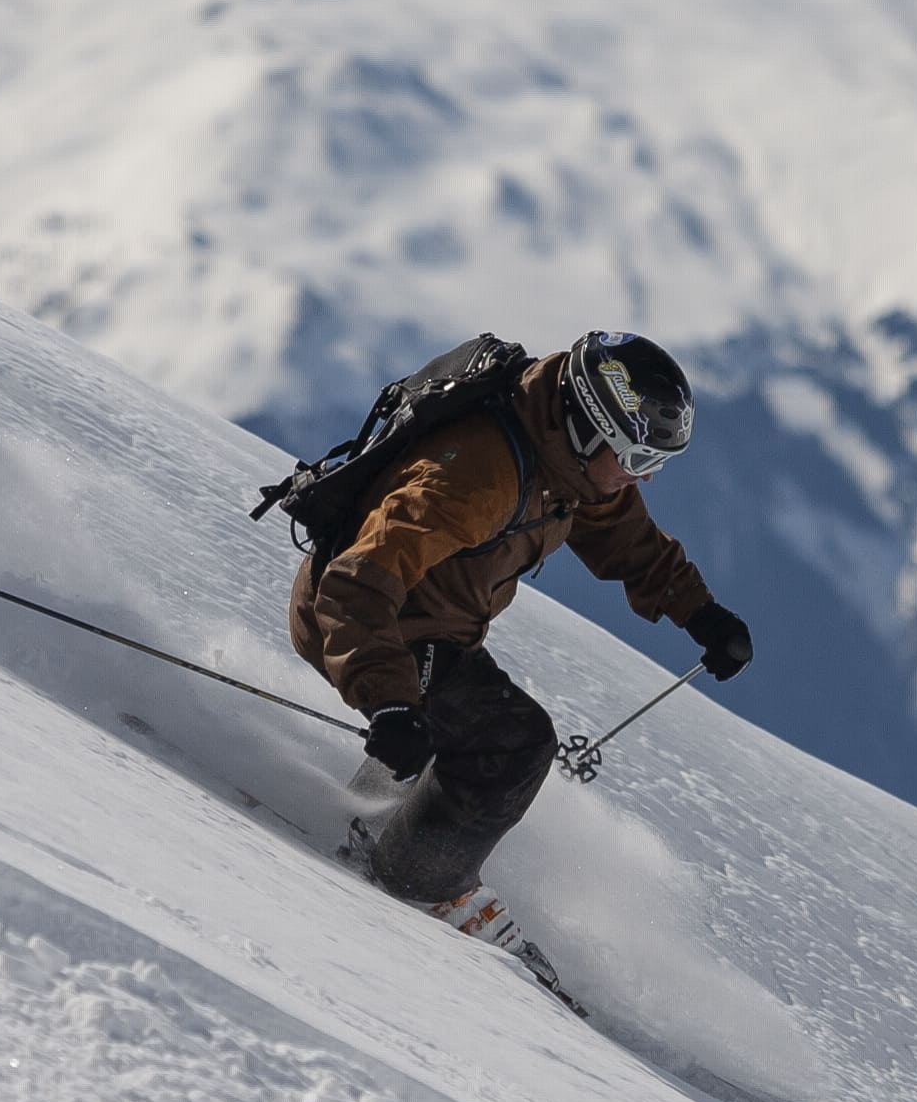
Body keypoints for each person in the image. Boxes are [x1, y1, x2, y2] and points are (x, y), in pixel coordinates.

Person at [287, 331, 750, 912]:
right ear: (589, 428)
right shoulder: (479, 478)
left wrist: (699, 612)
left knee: (449, 726)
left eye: (657, 461)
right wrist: (389, 701)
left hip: (425, 621)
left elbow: (621, 534)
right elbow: (357, 582)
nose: (646, 475)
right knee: (511, 746)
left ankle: (358, 821)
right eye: (638, 457)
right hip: (367, 620)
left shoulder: (564, 458)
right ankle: (413, 888)